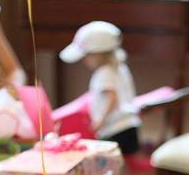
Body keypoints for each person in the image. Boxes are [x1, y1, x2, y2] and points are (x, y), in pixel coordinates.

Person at [59, 20, 141, 158]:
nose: (85, 61)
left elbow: (112, 98)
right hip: (129, 123)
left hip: (114, 129)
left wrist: (100, 121)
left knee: (109, 162)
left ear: (97, 54)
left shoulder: (104, 73)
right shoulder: (120, 68)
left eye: (86, 56)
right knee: (125, 163)